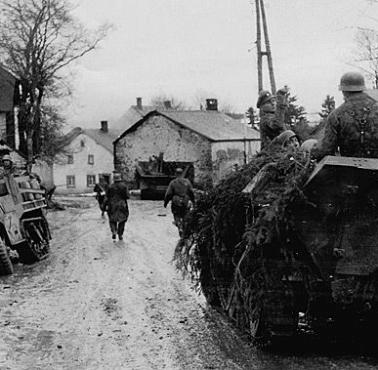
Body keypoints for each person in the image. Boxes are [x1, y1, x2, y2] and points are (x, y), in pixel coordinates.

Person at [315, 72, 378, 159]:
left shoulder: (337, 115)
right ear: (363, 88)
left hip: (350, 170)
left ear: (343, 91)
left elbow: (325, 150)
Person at [164, 168, 195, 237]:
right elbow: (191, 192)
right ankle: (184, 228)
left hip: (176, 200)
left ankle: (179, 226)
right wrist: (193, 201)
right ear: (182, 174)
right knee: (185, 214)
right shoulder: (187, 182)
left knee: (176, 215)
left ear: (176, 174)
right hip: (185, 200)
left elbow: (168, 194)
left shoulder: (173, 182)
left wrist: (165, 203)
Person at [104, 173, 129, 241]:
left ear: (114, 179)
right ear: (120, 178)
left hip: (112, 205)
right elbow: (127, 196)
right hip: (122, 205)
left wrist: (105, 206)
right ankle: (120, 234)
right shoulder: (124, 186)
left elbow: (106, 197)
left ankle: (114, 231)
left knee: (112, 220)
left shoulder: (110, 186)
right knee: (122, 220)